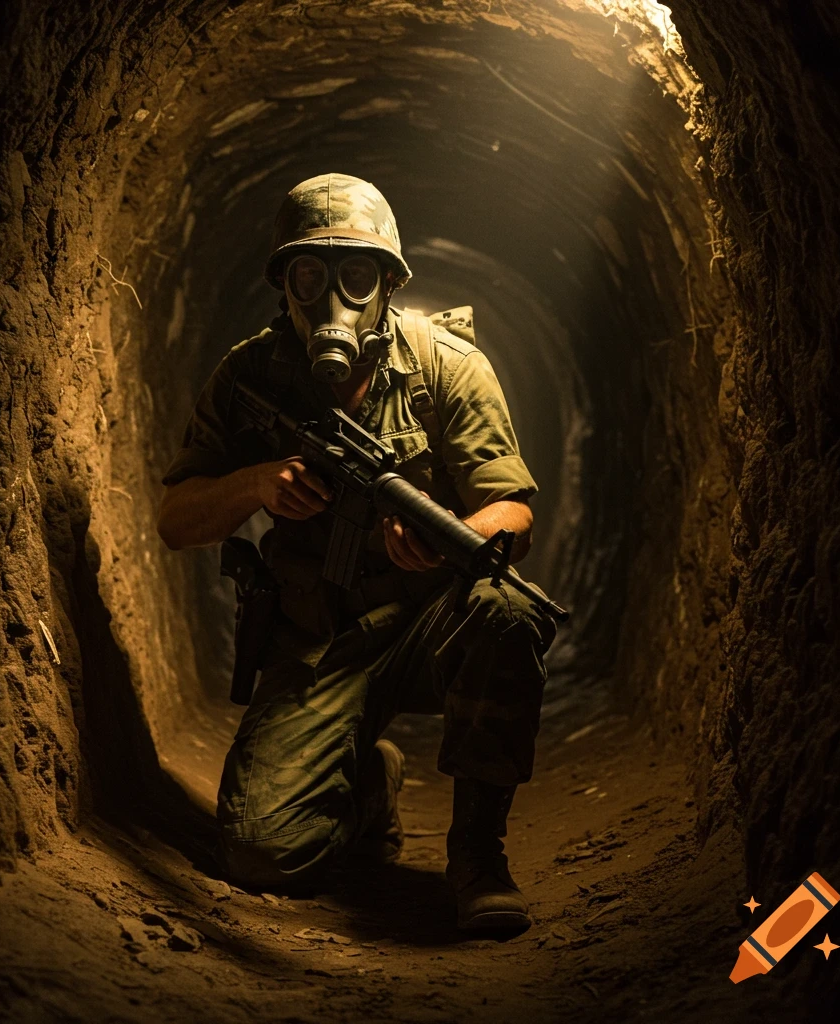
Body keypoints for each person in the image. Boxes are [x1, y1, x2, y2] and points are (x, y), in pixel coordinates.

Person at [157, 173, 557, 931]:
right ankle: (369, 785)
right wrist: (254, 483)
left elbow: (515, 514)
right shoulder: (250, 376)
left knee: (506, 611)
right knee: (262, 855)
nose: (332, 300)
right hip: (317, 641)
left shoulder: (446, 367)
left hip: (425, 626)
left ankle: (478, 855)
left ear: (388, 285)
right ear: (284, 284)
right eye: (310, 275)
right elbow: (176, 519)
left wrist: (450, 538)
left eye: (357, 276)